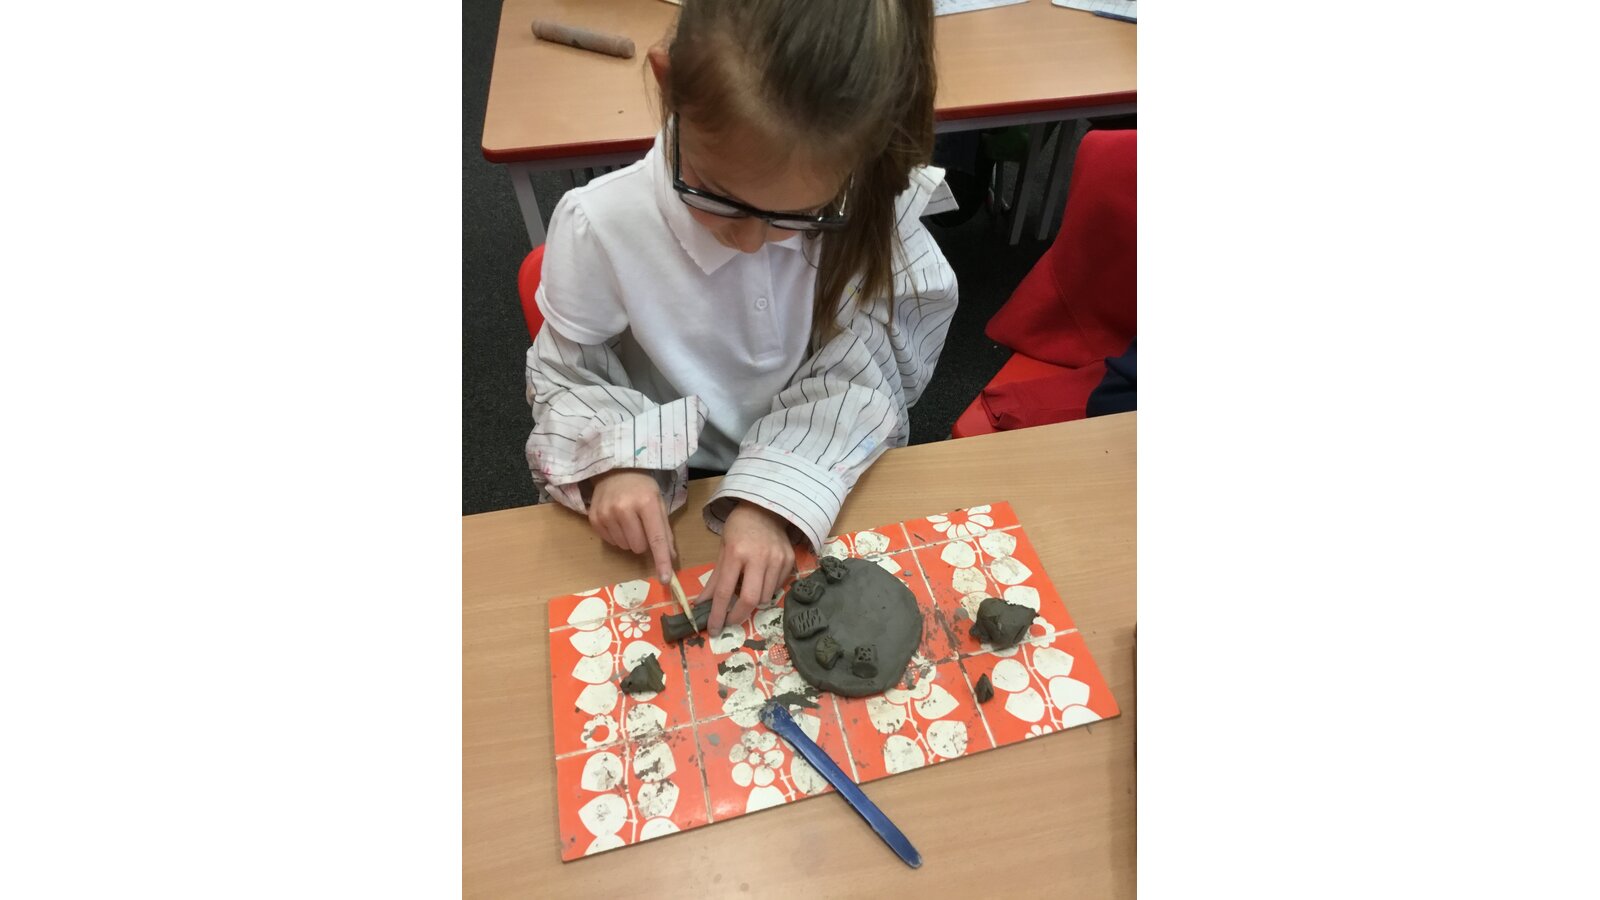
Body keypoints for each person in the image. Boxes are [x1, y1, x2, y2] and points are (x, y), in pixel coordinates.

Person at [525, 0, 958, 634]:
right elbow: (567, 375)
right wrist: (617, 461)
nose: (752, 243)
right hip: (669, 488)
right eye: (720, 197)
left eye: (797, 215)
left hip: (819, 477)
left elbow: (864, 374)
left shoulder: (869, 208)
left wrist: (770, 499)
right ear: (670, 84)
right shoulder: (601, 226)